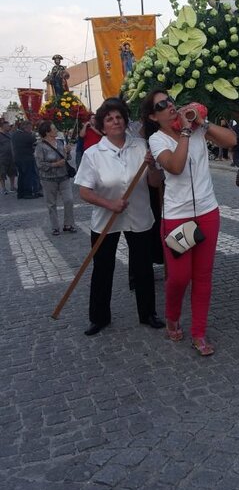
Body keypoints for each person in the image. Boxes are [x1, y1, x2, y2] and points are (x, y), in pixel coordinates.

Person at [141, 90, 236, 355]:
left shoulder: (196, 129)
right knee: (179, 277)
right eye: (162, 104)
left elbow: (232, 140)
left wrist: (201, 123)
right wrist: (184, 132)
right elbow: (175, 166)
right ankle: (172, 316)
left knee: (203, 276)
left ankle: (199, 333)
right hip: (177, 217)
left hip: (207, 211)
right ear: (153, 116)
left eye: (170, 100)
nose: (170, 105)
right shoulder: (157, 139)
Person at [75, 98, 165, 336]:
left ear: (125, 121)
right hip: (106, 219)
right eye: (109, 119)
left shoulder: (142, 146)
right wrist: (109, 204)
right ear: (102, 126)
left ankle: (148, 313)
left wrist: (152, 166)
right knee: (103, 268)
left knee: (143, 266)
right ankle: (99, 317)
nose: (115, 122)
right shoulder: (93, 154)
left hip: (139, 215)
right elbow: (84, 191)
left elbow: (155, 183)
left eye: (119, 117)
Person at [34, 120, 76, 235]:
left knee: (69, 200)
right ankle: (55, 226)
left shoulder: (60, 142)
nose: (56, 130)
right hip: (48, 179)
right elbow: (40, 165)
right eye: (53, 129)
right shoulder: (40, 146)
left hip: (64, 176)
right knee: (51, 204)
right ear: (47, 132)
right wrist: (55, 164)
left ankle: (68, 224)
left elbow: (67, 158)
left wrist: (68, 152)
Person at [11, 121, 41, 199]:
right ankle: (28, 193)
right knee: (28, 176)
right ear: (25, 127)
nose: (31, 129)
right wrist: (32, 134)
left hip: (18, 158)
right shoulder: (26, 135)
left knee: (21, 176)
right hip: (26, 158)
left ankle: (20, 193)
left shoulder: (14, 134)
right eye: (30, 127)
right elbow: (35, 141)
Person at [0, 119, 17, 194]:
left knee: (12, 172)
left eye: (8, 126)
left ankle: (12, 187)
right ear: (2, 127)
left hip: (11, 156)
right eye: (6, 126)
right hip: (2, 157)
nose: (8, 127)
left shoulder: (10, 134)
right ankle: (3, 188)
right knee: (2, 173)